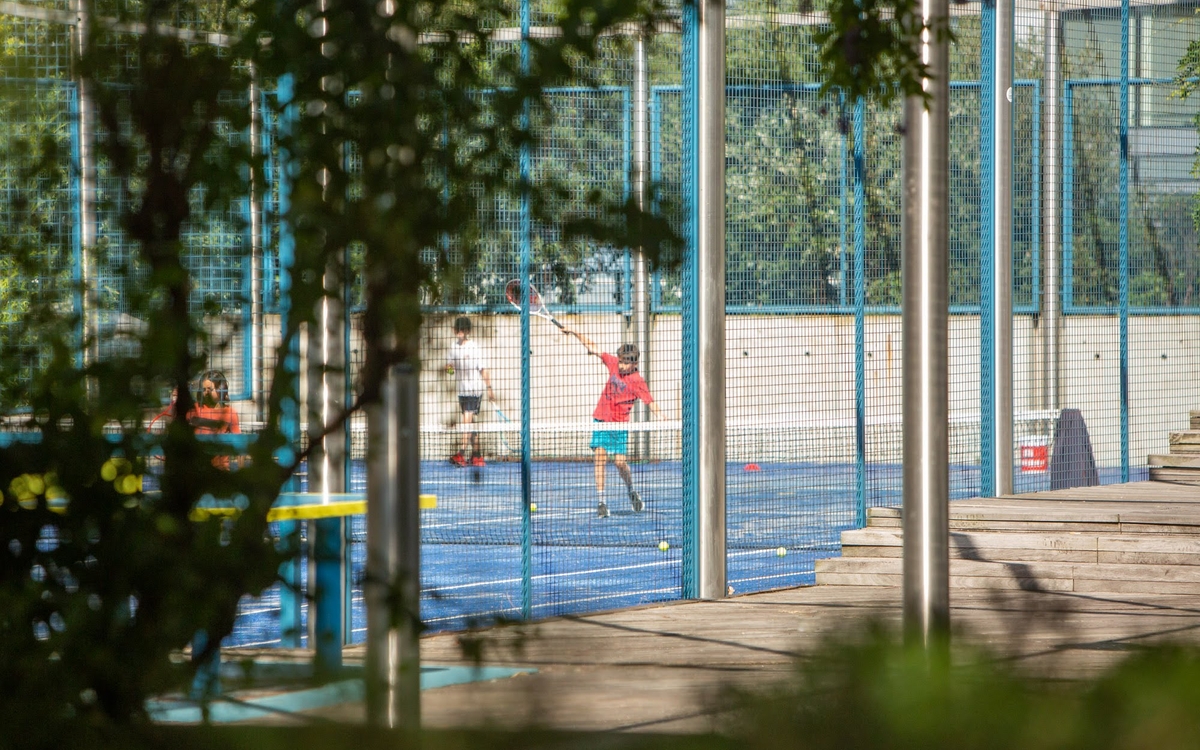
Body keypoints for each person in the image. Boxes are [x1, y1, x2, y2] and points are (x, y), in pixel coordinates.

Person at [560, 324, 662, 518]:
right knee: (600, 457)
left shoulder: (638, 381)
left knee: (620, 463)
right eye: (621, 361)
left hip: (619, 425)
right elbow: (593, 348)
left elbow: (650, 402)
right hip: (602, 419)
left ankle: (631, 490)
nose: (621, 365)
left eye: (625, 363)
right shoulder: (613, 363)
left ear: (634, 364)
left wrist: (663, 419)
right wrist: (574, 331)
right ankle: (601, 501)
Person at [445, 316, 494, 467]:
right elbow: (450, 370)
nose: (461, 332)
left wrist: (489, 388)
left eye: (463, 329)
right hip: (462, 391)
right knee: (470, 422)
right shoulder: (453, 348)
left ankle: (461, 453)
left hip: (474, 390)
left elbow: (483, 369)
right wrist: (450, 369)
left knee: (466, 420)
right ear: (455, 331)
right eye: (458, 329)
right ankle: (477, 456)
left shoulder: (474, 347)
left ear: (467, 331)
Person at [189, 369, 242, 470]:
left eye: (210, 389)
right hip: (197, 469)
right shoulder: (194, 410)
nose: (206, 393)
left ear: (221, 388)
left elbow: (239, 446)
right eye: (204, 390)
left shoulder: (230, 413)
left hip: (221, 470)